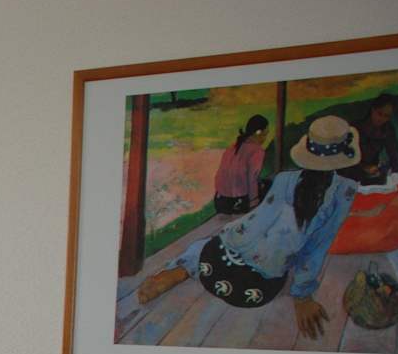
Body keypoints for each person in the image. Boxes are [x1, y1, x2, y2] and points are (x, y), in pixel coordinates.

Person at [137, 115, 362, 339]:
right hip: (255, 289)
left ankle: (183, 268)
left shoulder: (284, 179)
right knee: (264, 249)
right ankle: (187, 267)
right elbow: (317, 246)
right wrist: (302, 295)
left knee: (216, 240)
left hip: (215, 263)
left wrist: (228, 235)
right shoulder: (346, 191)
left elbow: (256, 222)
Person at [213, 114, 270, 213]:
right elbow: (252, 178)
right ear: (258, 133)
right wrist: (254, 202)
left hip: (220, 201)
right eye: (265, 134)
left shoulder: (233, 147)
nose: (265, 138)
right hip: (237, 203)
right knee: (268, 185)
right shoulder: (257, 150)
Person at [346, 93, 398, 186]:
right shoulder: (356, 127)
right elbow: (346, 156)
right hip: (351, 172)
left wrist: (396, 172)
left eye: (386, 116)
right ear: (373, 110)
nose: (381, 119)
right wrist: (363, 167)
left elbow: (394, 152)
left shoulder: (387, 129)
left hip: (373, 172)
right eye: (379, 113)